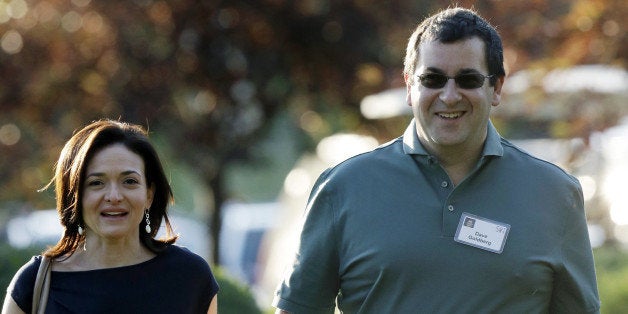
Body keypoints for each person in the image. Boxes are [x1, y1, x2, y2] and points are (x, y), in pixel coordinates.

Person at [273, 7, 600, 313]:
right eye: (432, 79)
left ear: (497, 87)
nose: (449, 95)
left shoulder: (555, 193)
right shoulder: (342, 187)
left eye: (468, 80)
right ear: (409, 85)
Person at [2, 120, 219, 314]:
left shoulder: (190, 277)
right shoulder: (34, 284)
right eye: (96, 183)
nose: (114, 196)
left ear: (149, 195)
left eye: (129, 182)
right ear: (73, 195)